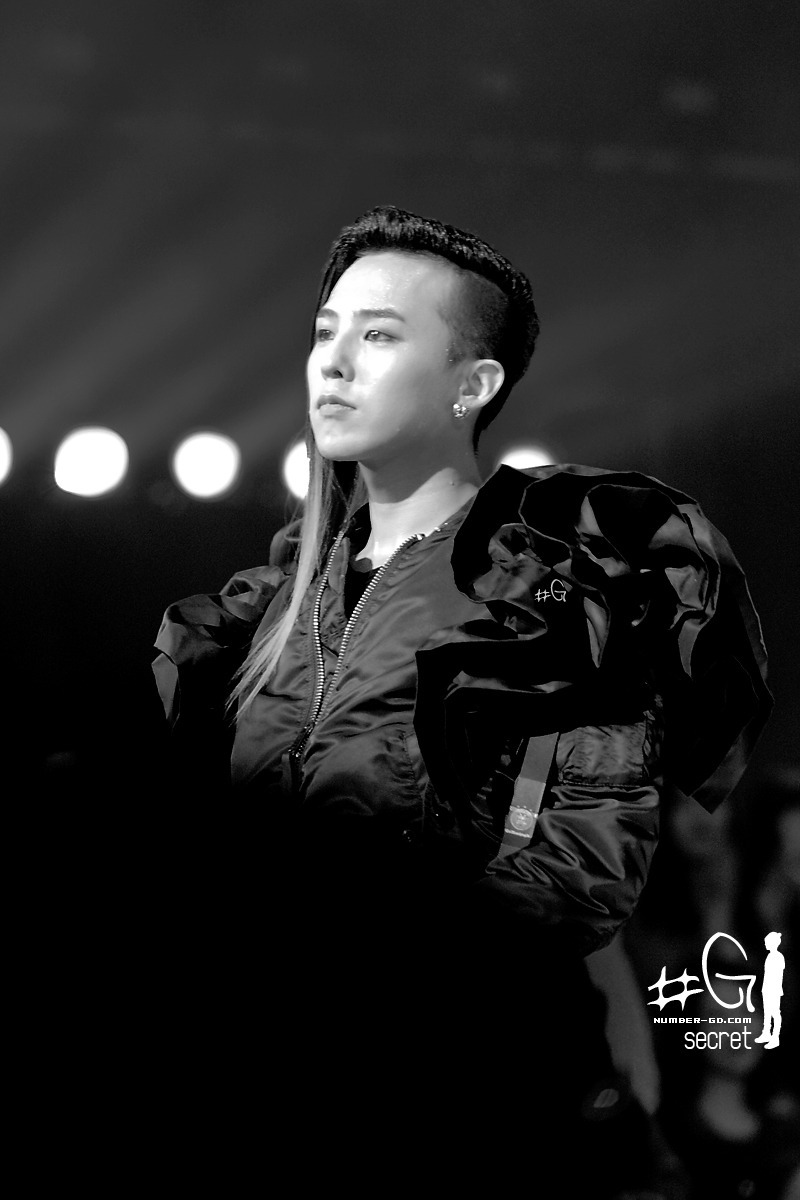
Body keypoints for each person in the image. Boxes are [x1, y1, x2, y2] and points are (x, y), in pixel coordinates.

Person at [152, 206, 771, 1191]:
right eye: (324, 332)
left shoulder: (555, 608)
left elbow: (572, 882)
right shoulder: (256, 618)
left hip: (454, 1110)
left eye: (378, 336)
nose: (332, 363)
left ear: (471, 385)